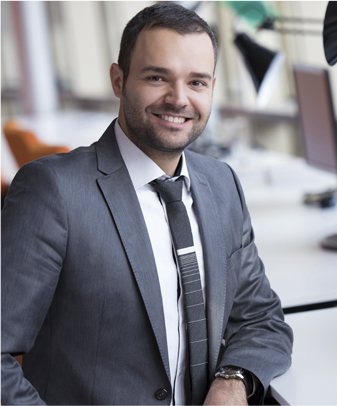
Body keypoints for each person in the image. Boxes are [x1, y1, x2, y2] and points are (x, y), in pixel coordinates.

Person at [1, 3, 293, 405]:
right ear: (118, 80)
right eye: (158, 77)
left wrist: (233, 379)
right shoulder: (53, 190)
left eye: (197, 82)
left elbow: (262, 320)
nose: (178, 99)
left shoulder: (222, 184)